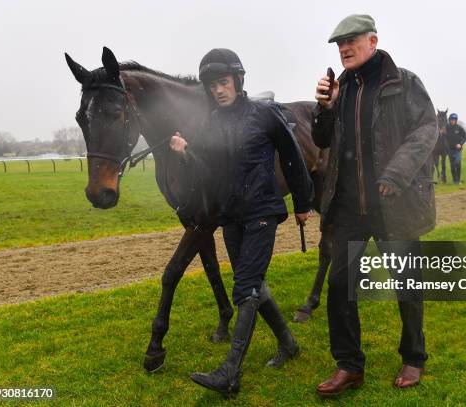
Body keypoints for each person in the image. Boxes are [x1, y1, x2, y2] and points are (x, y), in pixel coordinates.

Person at [169, 48, 314, 397]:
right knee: (254, 287)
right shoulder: (211, 125)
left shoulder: (263, 115)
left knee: (245, 287)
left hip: (263, 211)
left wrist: (303, 202)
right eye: (212, 85)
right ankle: (289, 345)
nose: (218, 90)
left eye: (223, 82)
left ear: (237, 80)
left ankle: (229, 372)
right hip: (231, 215)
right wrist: (186, 153)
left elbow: (293, 157)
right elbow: (207, 170)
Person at [311, 14, 438, 397]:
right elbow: (322, 137)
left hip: (394, 204)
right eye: (339, 44)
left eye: (351, 41)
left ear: (373, 41)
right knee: (339, 284)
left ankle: (413, 356)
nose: (344, 49)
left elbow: (427, 128)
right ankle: (350, 366)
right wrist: (325, 107)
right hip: (351, 207)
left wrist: (395, 174)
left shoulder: (405, 82)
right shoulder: (342, 88)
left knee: (407, 285)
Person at [444, 113, 466, 184]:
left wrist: (460, 144)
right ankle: (455, 181)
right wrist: (442, 133)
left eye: (454, 120)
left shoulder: (459, 128)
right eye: (451, 119)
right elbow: (444, 137)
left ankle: (458, 179)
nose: (452, 121)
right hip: (450, 149)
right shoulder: (446, 128)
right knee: (452, 165)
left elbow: (465, 136)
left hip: (458, 150)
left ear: (456, 120)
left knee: (457, 163)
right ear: (449, 120)